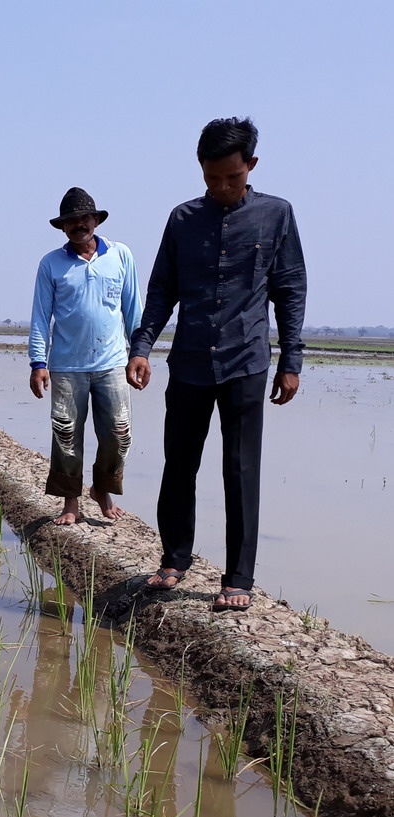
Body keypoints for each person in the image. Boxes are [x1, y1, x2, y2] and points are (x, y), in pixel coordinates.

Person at [128, 117, 307, 611]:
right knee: (179, 464)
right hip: (188, 363)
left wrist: (290, 361)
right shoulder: (183, 219)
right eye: (212, 179)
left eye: (232, 177)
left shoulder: (276, 215)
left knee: (240, 469)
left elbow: (289, 291)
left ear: (250, 165)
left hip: (245, 361)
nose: (223, 187)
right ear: (201, 171)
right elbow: (162, 288)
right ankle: (174, 559)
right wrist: (142, 346)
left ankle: (239, 579)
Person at [28, 187, 142, 525]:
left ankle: (102, 488)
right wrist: (38, 363)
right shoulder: (51, 264)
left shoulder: (120, 255)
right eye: (71, 221)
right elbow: (39, 317)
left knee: (119, 433)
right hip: (66, 365)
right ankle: (70, 501)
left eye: (84, 218)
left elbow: (133, 308)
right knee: (65, 433)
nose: (79, 225)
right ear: (63, 227)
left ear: (96, 220)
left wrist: (140, 353)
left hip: (112, 363)